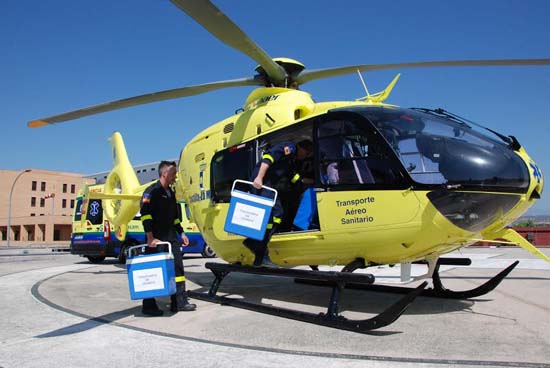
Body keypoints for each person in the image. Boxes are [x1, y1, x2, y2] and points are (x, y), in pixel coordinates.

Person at [243, 139, 313, 267]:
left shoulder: (292, 160)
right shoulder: (288, 147)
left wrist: (309, 184)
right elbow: (268, 159)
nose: (306, 155)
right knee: (270, 217)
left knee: (278, 215)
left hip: (270, 186)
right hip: (262, 183)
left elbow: (293, 177)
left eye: (308, 154)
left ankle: (257, 251)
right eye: (306, 152)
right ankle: (259, 251)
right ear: (300, 147)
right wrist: (259, 177)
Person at [140, 160, 196, 316]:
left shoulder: (171, 194)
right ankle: (148, 305)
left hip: (171, 238)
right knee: (154, 271)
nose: (175, 177)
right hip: (156, 239)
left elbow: (175, 218)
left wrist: (182, 233)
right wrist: (150, 238)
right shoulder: (151, 192)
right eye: (173, 174)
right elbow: (145, 216)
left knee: (177, 269)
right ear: (164, 173)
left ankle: (178, 302)